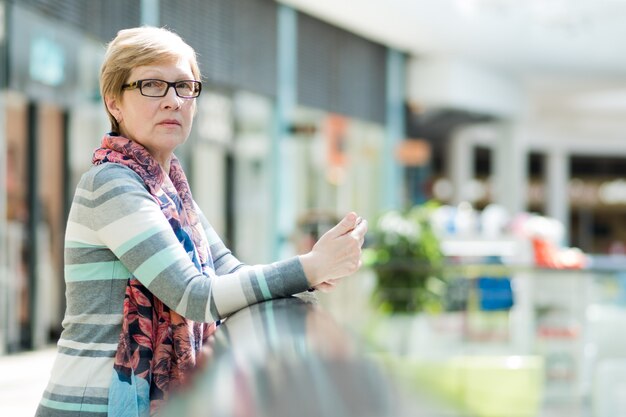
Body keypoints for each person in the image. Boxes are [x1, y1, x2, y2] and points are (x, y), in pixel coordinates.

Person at [35, 26, 367, 417]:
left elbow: (228, 270)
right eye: (152, 85)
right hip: (88, 407)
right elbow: (195, 296)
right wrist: (309, 268)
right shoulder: (110, 183)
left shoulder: (167, 184)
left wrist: (311, 269)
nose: (173, 101)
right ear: (114, 102)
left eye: (184, 86)